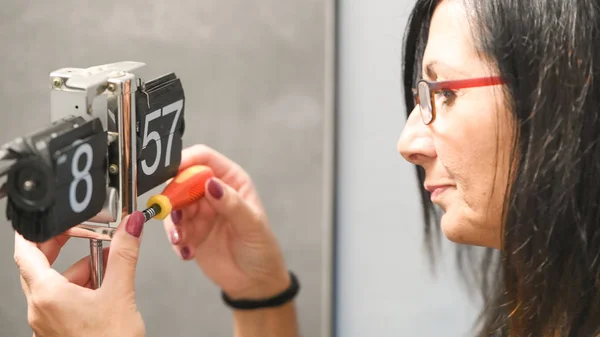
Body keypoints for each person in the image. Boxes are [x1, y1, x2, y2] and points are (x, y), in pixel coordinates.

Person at [12, 0, 600, 336]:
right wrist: (261, 293)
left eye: (443, 92)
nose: (408, 141)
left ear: (564, 82)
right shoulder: (543, 309)